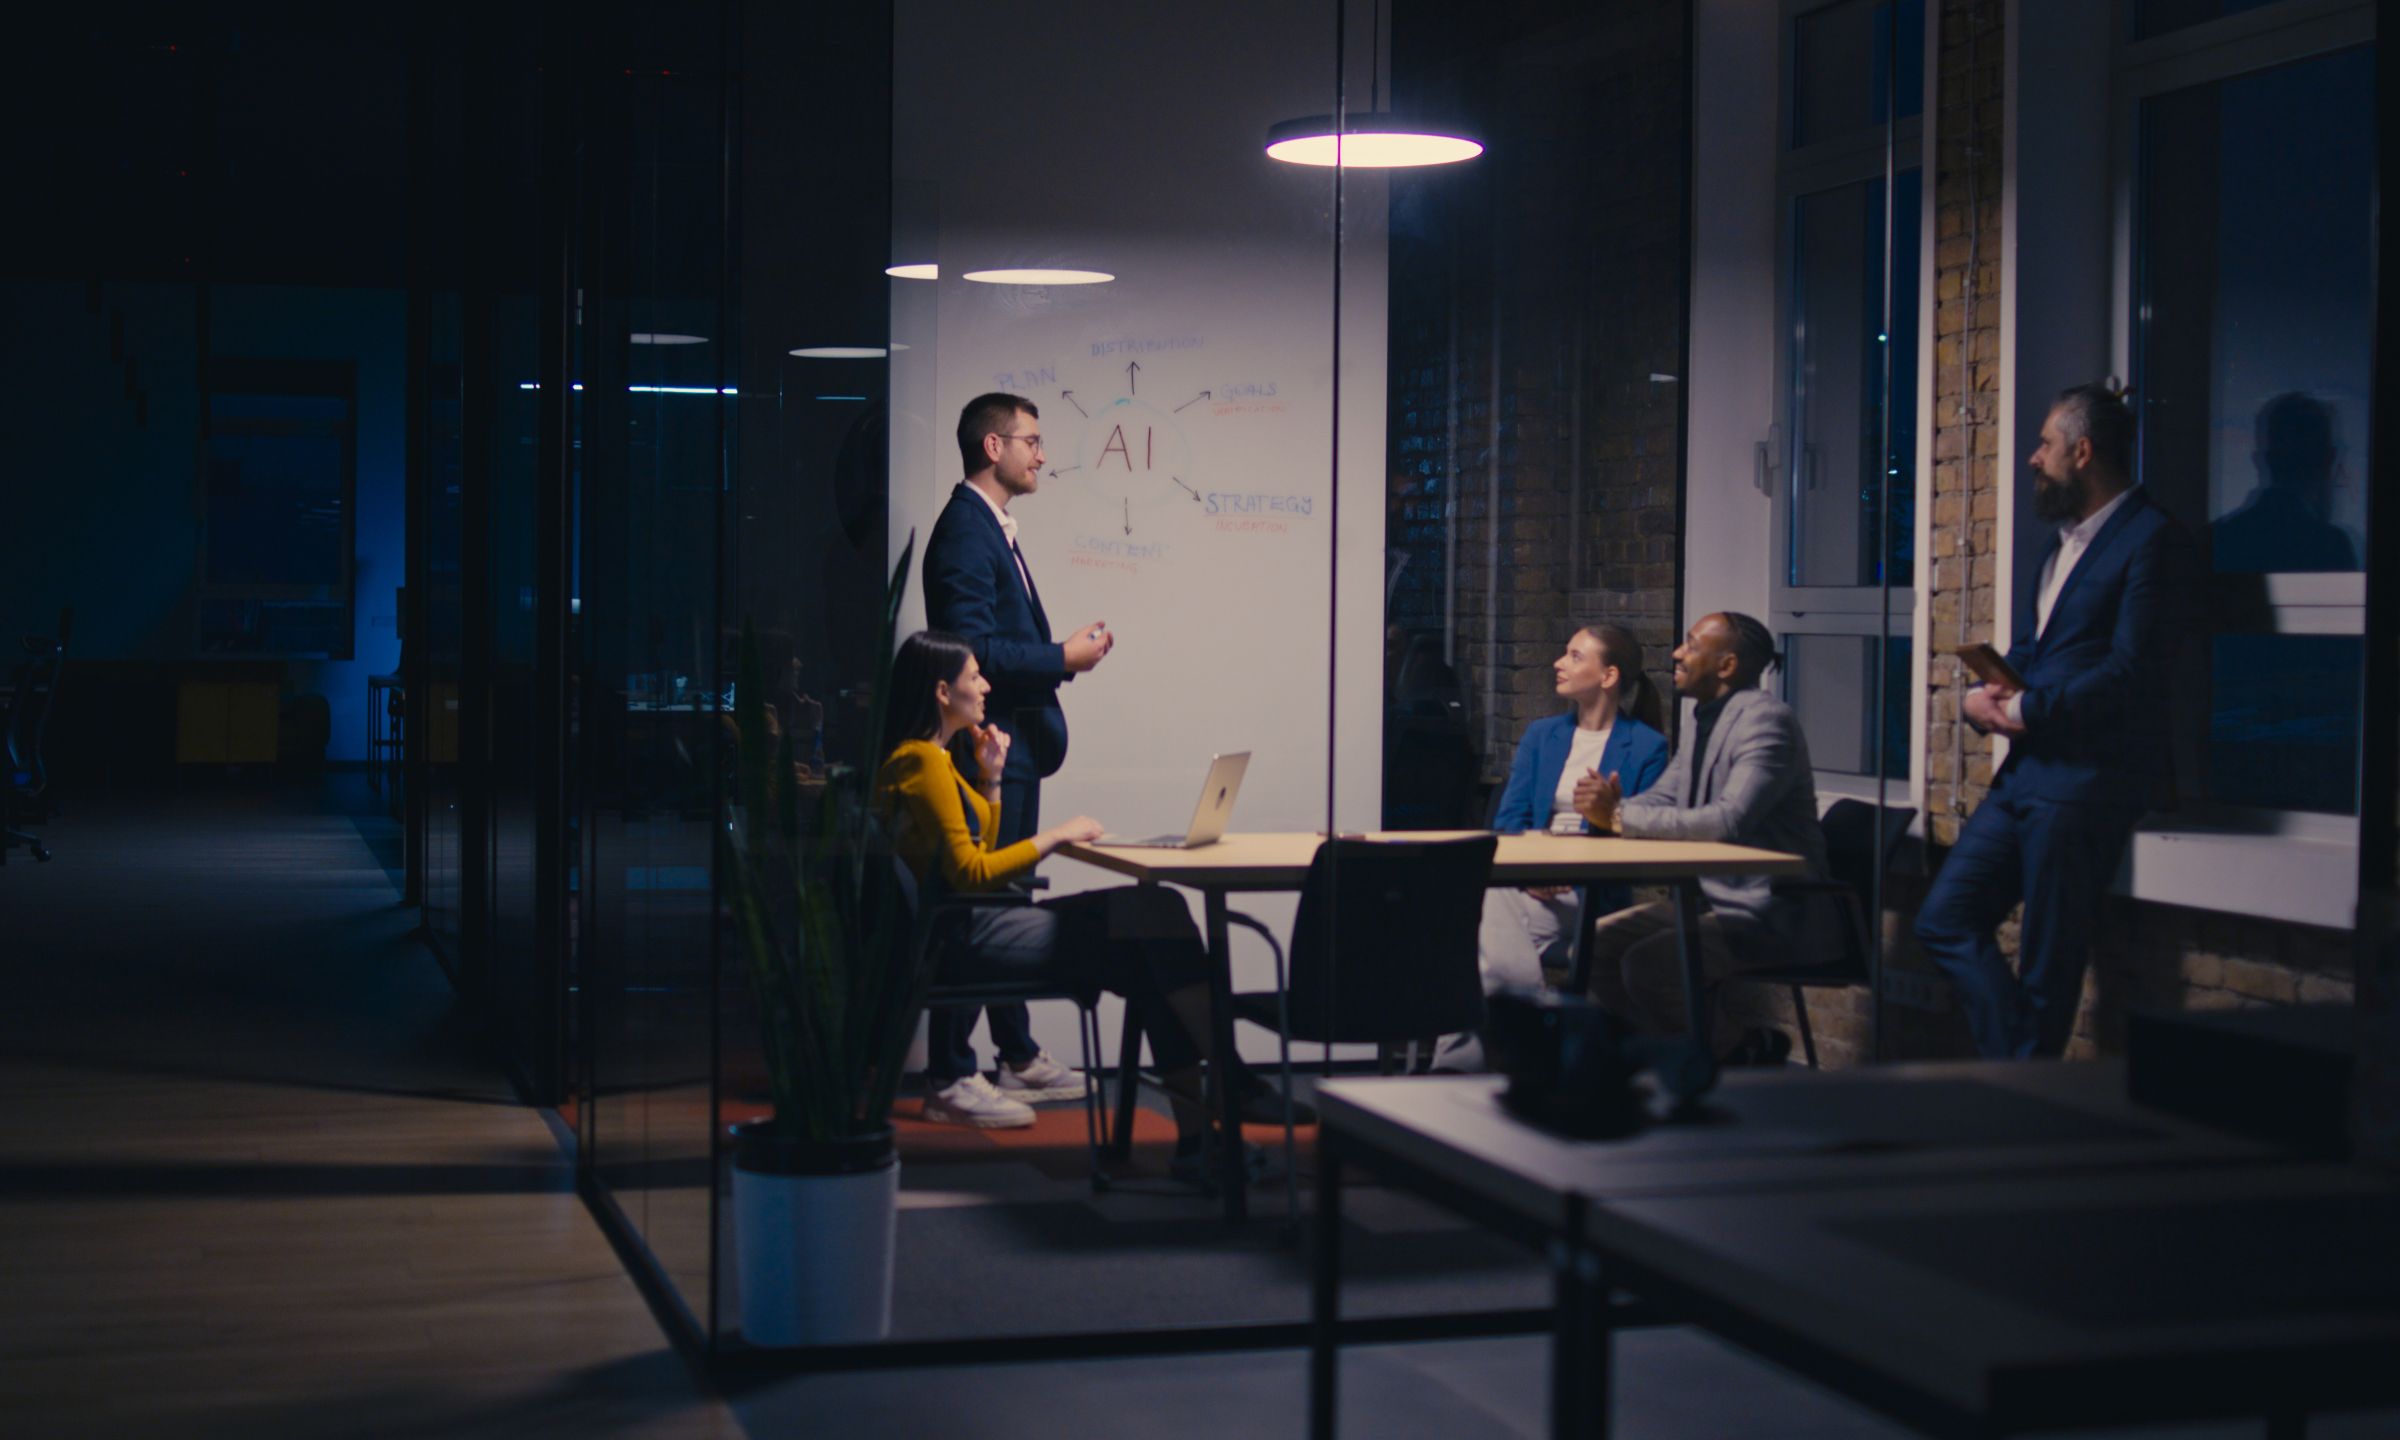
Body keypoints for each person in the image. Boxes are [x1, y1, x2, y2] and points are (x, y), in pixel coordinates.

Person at [878, 631, 1243, 1179]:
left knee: (1157, 933)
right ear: (941, 691)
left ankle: (1202, 1134)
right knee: (1157, 923)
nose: (985, 685)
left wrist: (992, 777)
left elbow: (974, 848)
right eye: (975, 676)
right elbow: (973, 873)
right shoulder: (921, 763)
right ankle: (1225, 1089)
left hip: (970, 925)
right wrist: (1056, 835)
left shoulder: (934, 759)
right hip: (962, 936)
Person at [1915, 382, 2198, 1058]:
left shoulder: (2153, 539)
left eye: (2044, 444)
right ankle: (2022, 1072)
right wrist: (1983, 701)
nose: (2034, 459)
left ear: (2084, 449)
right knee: (1944, 919)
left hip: (2086, 785)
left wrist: (2030, 708)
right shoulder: (2057, 548)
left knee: (2048, 968)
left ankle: (2020, 1114)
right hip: (2024, 778)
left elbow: (2135, 670)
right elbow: (2032, 652)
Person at [918, 393, 1115, 1112]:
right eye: (1031, 441)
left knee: (1000, 894)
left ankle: (1017, 1054)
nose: (1042, 454)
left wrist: (1061, 655)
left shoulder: (991, 526)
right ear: (993, 447)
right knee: (981, 903)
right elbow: (972, 649)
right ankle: (949, 1071)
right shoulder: (967, 531)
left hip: (1009, 743)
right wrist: (1062, 655)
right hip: (990, 745)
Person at [1570, 612, 1835, 1059]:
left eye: (1691, 645)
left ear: (1727, 666)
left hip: (1773, 909)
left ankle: (1741, 1049)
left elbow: (1727, 821)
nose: (1677, 652)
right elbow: (1666, 797)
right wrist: (1613, 809)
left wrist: (1617, 818)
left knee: (1649, 966)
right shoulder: (1704, 719)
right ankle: (1663, 1054)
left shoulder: (1766, 722)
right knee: (1594, 946)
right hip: (1714, 898)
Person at [1431, 624, 1670, 1071]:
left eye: (1576, 656)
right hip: (1528, 885)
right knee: (1483, 904)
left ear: (1609, 675)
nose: (1559, 663)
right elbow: (1508, 822)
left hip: (1589, 892)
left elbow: (1639, 836)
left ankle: (1464, 1064)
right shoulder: (1543, 735)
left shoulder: (1646, 747)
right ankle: (1518, 1034)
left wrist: (1582, 848)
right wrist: (1531, 872)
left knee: (1474, 916)